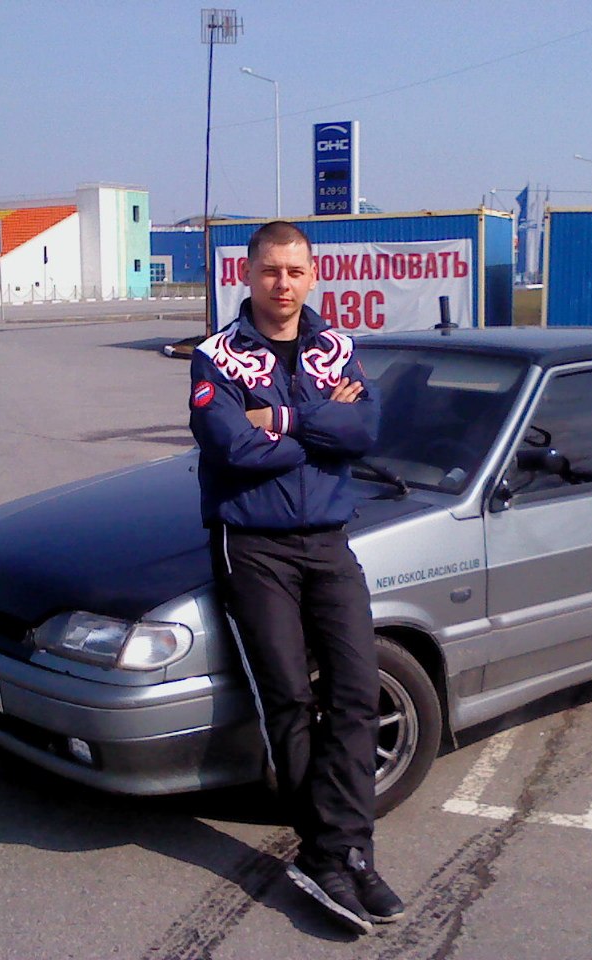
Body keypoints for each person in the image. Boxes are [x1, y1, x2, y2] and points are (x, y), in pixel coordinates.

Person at [188, 221, 404, 935]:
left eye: (294, 270)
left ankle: (348, 849)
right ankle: (324, 852)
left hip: (330, 542)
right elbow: (232, 448)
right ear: (247, 275)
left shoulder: (336, 347)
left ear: (312, 276)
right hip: (254, 547)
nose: (283, 283)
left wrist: (279, 419)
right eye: (270, 270)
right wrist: (318, 425)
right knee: (288, 700)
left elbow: (363, 432)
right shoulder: (216, 356)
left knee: (355, 692)